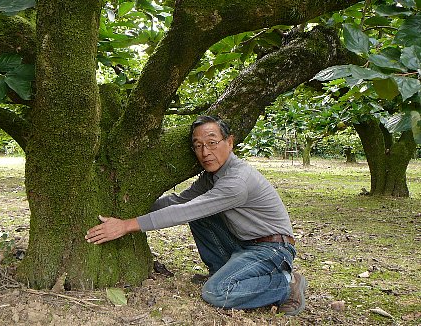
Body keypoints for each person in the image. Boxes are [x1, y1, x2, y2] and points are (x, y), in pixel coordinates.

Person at [85, 115, 307, 315]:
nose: (205, 152)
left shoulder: (236, 182)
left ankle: (286, 284)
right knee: (200, 215)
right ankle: (222, 270)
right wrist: (134, 207)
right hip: (244, 243)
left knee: (216, 292)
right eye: (198, 145)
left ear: (229, 142)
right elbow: (180, 200)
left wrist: (126, 225)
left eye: (212, 143)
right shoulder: (213, 175)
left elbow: (185, 211)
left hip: (273, 249)